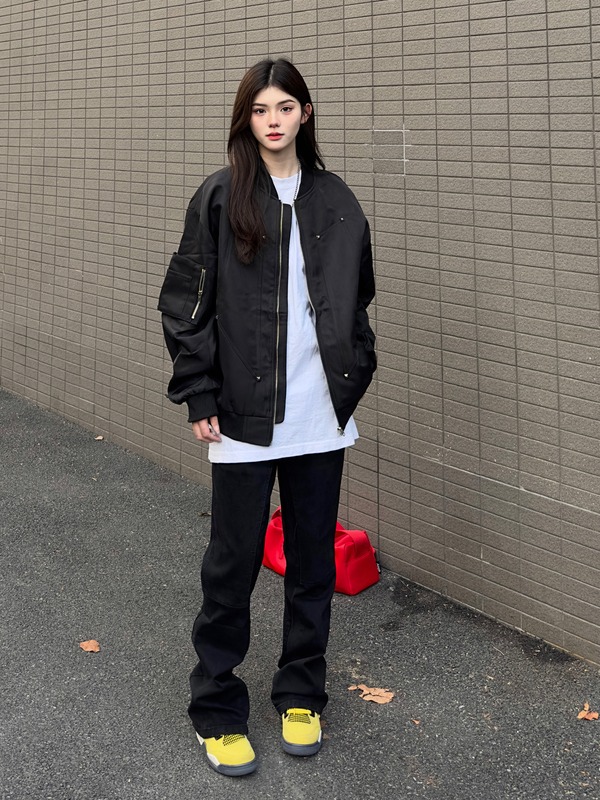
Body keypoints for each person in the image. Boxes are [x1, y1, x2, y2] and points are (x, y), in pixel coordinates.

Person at [158, 58, 376, 777]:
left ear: (305, 114)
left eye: (285, 107)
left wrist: (354, 370)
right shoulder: (221, 195)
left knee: (313, 564)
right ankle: (216, 707)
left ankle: (301, 694)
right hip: (242, 419)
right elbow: (185, 302)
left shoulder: (336, 200)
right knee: (232, 567)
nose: (273, 120)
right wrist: (199, 391)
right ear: (245, 119)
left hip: (320, 418)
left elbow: (357, 297)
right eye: (260, 109)